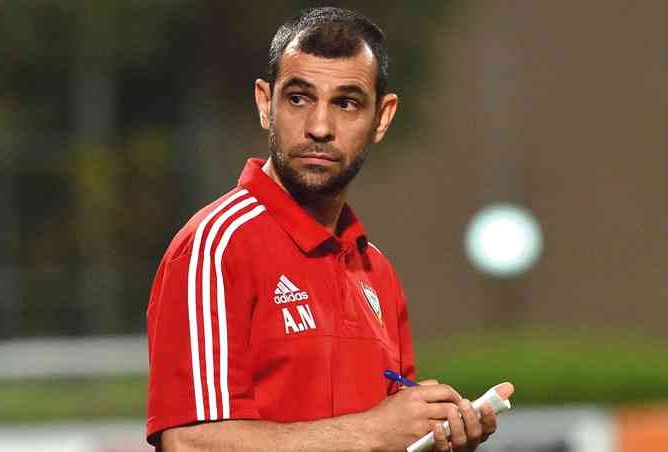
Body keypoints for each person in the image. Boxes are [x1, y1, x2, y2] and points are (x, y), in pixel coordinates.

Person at [146, 7, 513, 452]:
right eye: (299, 99)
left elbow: (385, 441)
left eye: (346, 103)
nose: (319, 127)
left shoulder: (377, 272)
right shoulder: (215, 247)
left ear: (382, 118)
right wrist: (373, 430)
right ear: (265, 103)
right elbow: (189, 442)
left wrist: (436, 438)